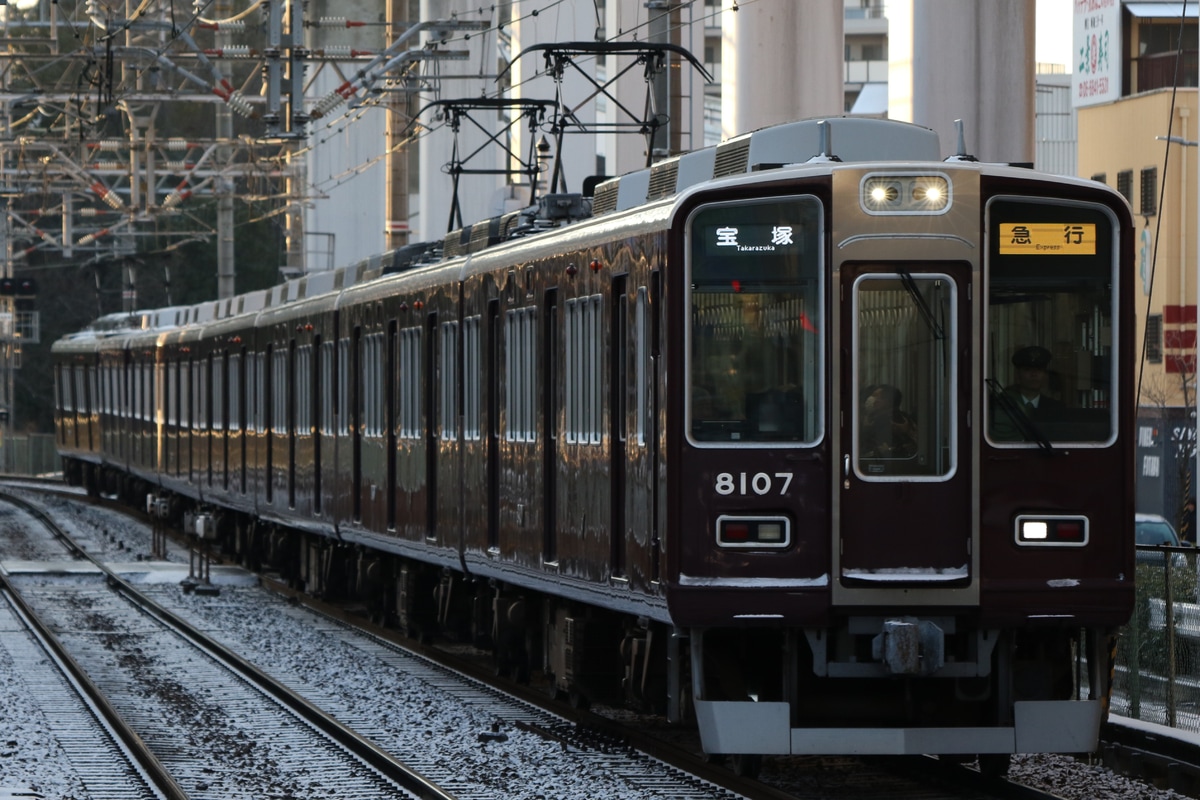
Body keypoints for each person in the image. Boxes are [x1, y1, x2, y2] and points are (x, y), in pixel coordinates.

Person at [1004, 346, 1064, 420]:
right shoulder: (1005, 404)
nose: (1034, 374)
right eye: (1028, 370)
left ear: (1045, 375)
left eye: (1039, 370)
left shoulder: (1056, 408)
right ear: (1018, 375)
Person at [860, 384, 917, 459]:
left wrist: (866, 429)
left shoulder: (884, 421)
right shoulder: (902, 415)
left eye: (875, 396)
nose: (871, 399)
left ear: (888, 401)